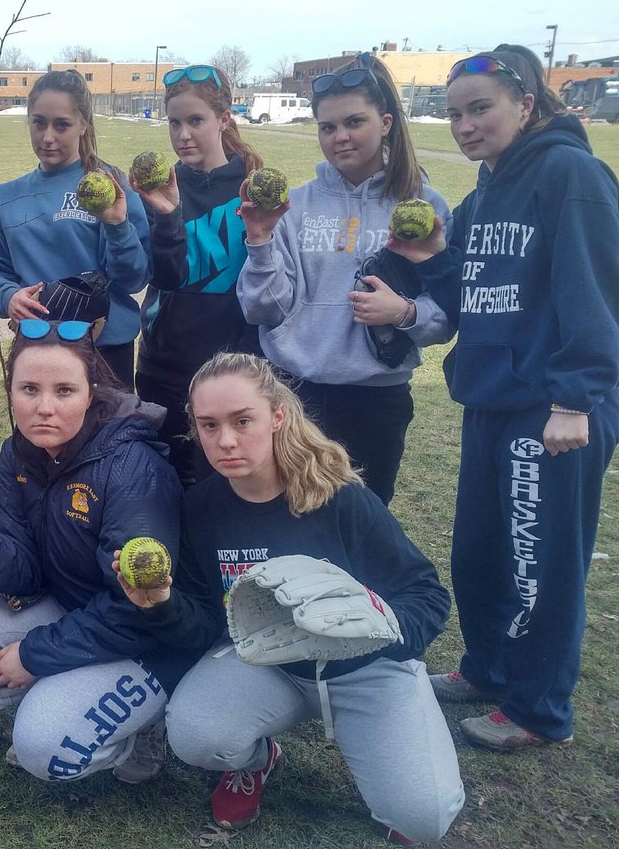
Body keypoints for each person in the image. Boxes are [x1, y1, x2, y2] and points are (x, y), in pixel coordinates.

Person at [127, 352, 463, 843]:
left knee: (422, 819)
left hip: (365, 668)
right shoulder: (200, 508)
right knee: (197, 736)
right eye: (209, 425)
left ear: (277, 416)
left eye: (243, 420)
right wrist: (161, 603)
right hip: (269, 663)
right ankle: (259, 762)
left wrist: (382, 629)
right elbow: (204, 625)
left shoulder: (338, 497)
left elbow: (426, 595)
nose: (226, 440)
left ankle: (393, 745)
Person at [389, 44, 619, 752]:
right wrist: (432, 260)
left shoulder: (570, 174)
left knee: (537, 560)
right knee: (480, 552)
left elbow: (595, 292)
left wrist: (575, 399)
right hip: (492, 398)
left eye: (480, 109)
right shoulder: (487, 189)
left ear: (526, 103)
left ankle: (538, 708)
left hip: (552, 407)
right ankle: (488, 668)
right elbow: (469, 296)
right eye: (455, 113)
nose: (465, 126)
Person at [0, 320, 197, 783]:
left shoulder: (132, 467)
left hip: (151, 639)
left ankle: (144, 721)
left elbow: (135, 609)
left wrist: (36, 654)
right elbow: (26, 567)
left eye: (64, 391)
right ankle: (66, 695)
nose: (44, 408)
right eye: (29, 389)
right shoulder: (21, 452)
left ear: (91, 394)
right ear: (10, 391)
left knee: (45, 750)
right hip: (78, 607)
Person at [236, 53, 452, 505]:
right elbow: (261, 309)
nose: (340, 137)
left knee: (363, 521)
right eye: (327, 127)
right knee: (293, 514)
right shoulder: (295, 206)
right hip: (296, 394)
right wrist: (260, 239)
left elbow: (447, 314)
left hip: (377, 400)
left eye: (354, 122)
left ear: (386, 122)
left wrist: (404, 313)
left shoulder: (422, 205)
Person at [129, 64, 263, 485]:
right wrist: (168, 214)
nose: (183, 134)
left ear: (224, 119)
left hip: (231, 368)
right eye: (174, 123)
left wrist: (248, 359)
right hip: (164, 366)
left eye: (195, 121)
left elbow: (265, 284)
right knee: (162, 482)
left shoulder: (253, 188)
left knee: (223, 485)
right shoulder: (160, 187)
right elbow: (164, 277)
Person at [0, 69, 151, 389]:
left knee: (110, 426)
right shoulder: (7, 196)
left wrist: (116, 225)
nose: (48, 137)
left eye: (61, 125)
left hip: (105, 351)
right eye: (39, 123)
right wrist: (9, 298)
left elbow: (133, 279)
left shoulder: (110, 186)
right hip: (37, 347)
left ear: (83, 124)